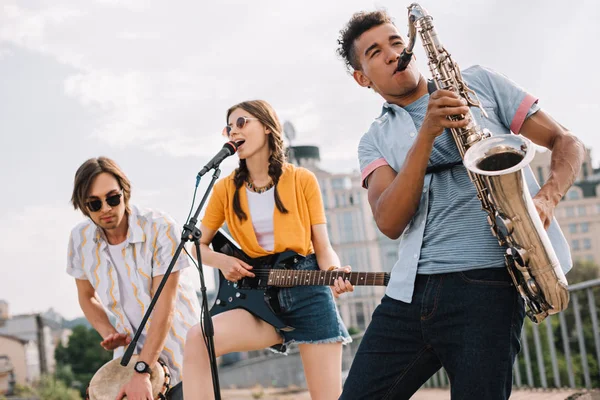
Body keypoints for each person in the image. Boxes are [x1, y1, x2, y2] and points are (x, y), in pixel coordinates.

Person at [335, 10, 585, 400]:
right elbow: (388, 221)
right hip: (409, 293)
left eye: (397, 42)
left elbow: (567, 141)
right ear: (362, 77)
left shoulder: (479, 83)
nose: (392, 53)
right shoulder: (374, 139)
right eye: (374, 51)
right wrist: (427, 133)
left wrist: (546, 199)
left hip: (489, 285)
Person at [182, 99, 353, 400]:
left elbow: (323, 249)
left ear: (267, 126)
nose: (233, 132)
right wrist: (221, 261)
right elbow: (196, 247)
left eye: (241, 122)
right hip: (258, 299)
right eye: (229, 127)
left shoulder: (302, 180)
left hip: (308, 293)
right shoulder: (224, 189)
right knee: (199, 337)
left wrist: (334, 273)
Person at [67, 157, 201, 400]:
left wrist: (143, 370)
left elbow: (165, 306)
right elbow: (86, 297)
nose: (106, 208)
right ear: (83, 206)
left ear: (124, 192)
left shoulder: (160, 227)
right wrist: (108, 331)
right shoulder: (79, 240)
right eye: (94, 204)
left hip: (181, 357)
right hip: (127, 363)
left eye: (113, 198)